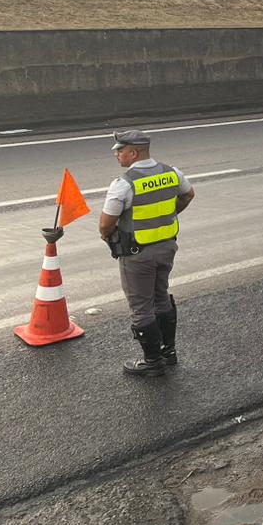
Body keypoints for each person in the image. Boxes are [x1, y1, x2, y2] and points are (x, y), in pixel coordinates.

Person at [98, 130, 194, 377]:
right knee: (160, 296)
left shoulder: (124, 184)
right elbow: (188, 194)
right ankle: (168, 352)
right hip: (167, 247)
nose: (117, 155)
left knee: (141, 306)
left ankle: (152, 362)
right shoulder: (172, 172)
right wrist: (166, 216)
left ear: (133, 152)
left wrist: (107, 236)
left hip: (137, 253)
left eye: (120, 150)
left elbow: (105, 224)